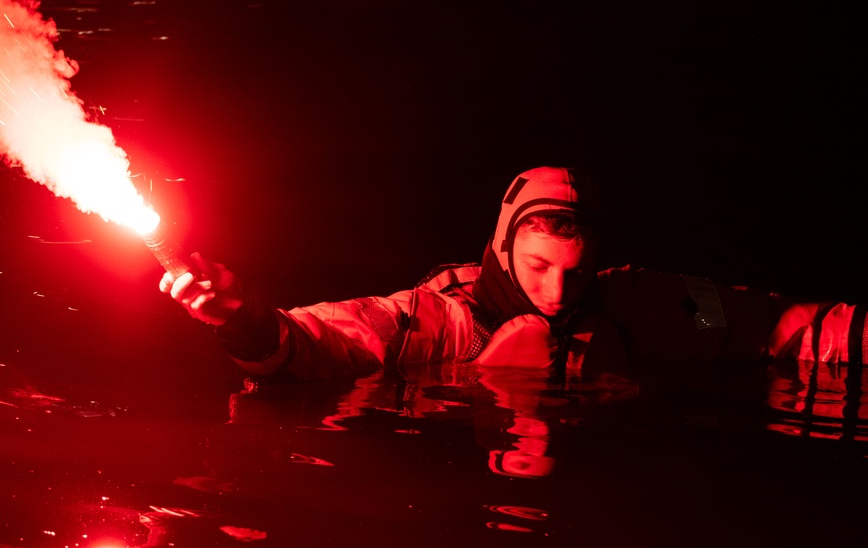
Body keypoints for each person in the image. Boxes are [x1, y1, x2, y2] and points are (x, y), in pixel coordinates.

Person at [160, 166, 866, 380]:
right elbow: (316, 340)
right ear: (501, 248)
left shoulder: (643, 301)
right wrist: (241, 318)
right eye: (537, 267)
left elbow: (777, 325)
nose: (558, 293)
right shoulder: (431, 318)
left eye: (575, 270)